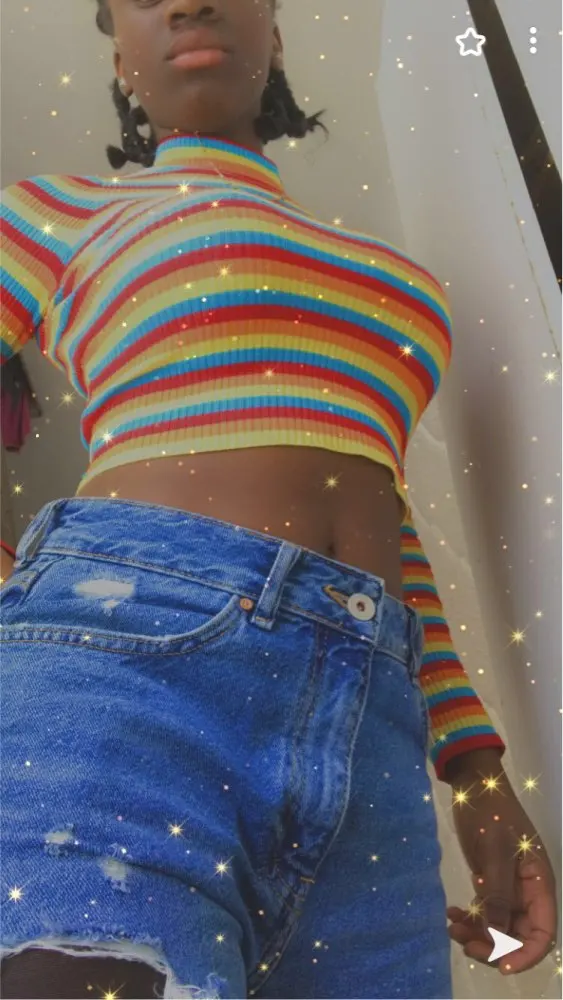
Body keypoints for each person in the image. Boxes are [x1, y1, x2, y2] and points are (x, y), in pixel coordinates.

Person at [0, 1, 557, 998]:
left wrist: (475, 768)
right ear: (119, 56)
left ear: (277, 33)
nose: (188, 2)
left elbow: (384, 527)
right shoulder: (55, 212)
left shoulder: (400, 284)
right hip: (125, 659)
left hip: (370, 717)